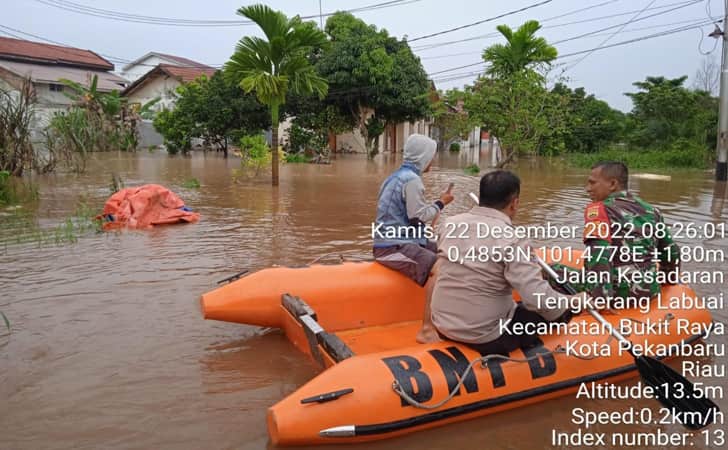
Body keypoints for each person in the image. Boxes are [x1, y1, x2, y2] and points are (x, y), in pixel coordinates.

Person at [430, 170, 583, 355]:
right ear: (514, 203)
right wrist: (573, 301)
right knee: (556, 311)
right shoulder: (513, 239)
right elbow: (539, 300)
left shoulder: (449, 224)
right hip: (485, 336)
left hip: (442, 325)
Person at [555, 161, 680, 302]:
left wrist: (600, 299)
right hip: (650, 292)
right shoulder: (652, 211)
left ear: (613, 184)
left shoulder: (598, 210)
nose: (587, 189)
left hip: (619, 293)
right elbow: (671, 251)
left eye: (592, 183)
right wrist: (668, 280)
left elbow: (599, 252)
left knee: (550, 270)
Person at [372, 134, 453, 342]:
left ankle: (447, 315)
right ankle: (427, 329)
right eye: (431, 156)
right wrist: (441, 203)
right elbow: (418, 215)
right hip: (392, 247)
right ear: (424, 157)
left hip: (400, 239)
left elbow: (410, 218)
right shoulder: (413, 180)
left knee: (446, 252)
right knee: (439, 267)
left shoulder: (396, 177)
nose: (432, 161)